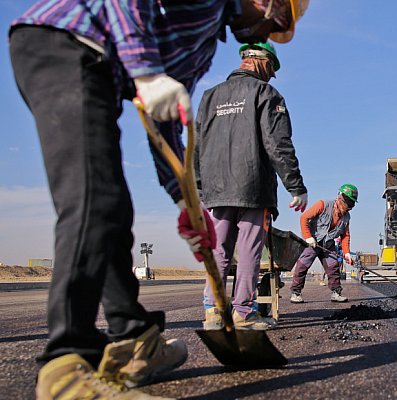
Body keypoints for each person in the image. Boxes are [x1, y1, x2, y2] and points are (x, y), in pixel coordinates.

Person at [8, 1, 308, 398]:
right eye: (277, 22)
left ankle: (135, 338)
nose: (269, 33)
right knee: (94, 201)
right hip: (64, 44)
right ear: (265, 2)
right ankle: (65, 366)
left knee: (113, 210)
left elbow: (164, 119)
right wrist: (146, 72)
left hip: (99, 71)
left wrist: (184, 200)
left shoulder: (203, 44)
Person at [195, 41, 307, 331]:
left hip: (216, 190)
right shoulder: (265, 93)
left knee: (218, 249)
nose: (271, 75)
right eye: (271, 69)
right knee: (248, 251)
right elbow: (278, 144)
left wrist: (199, 186)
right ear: (262, 61)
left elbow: (196, 146)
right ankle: (243, 312)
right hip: (252, 186)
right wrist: (295, 186)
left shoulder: (209, 97)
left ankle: (213, 312)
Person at [290, 184, 358, 303]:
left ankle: (336, 293)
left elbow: (345, 236)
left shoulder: (346, 217)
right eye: (347, 203)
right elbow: (304, 218)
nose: (348, 207)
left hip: (328, 244)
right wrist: (308, 237)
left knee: (333, 267)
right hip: (313, 242)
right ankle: (296, 293)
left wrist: (346, 253)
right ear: (340, 198)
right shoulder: (322, 205)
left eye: (351, 204)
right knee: (302, 265)